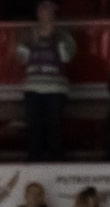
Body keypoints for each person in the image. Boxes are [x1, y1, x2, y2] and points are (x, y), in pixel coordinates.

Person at [18, 1, 76, 162]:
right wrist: (33, 41)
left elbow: (67, 57)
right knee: (34, 129)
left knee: (54, 128)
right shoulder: (28, 34)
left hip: (56, 89)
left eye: (50, 10)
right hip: (33, 87)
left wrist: (53, 38)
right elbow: (21, 57)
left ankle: (56, 165)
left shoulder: (63, 34)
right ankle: (34, 164)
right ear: (38, 13)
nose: (47, 14)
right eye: (43, 10)